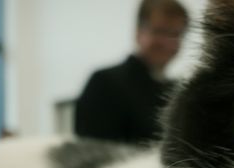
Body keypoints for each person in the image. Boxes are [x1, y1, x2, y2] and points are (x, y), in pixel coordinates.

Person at [73, 0, 189, 144]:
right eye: (160, 31)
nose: (167, 42)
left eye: (176, 34)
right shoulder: (104, 83)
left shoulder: (178, 91)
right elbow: (91, 154)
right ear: (138, 32)